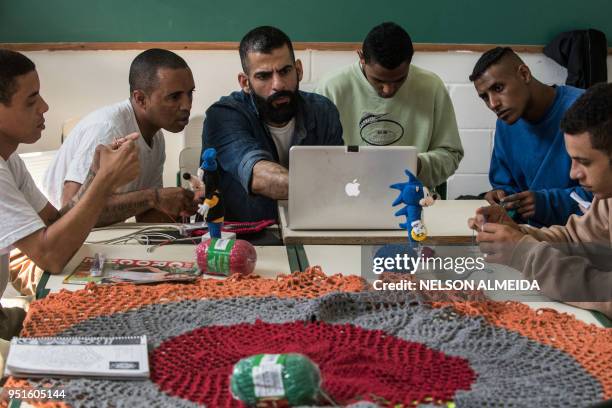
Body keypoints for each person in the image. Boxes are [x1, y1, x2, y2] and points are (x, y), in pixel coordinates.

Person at [0, 50, 139, 358]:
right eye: (31, 100)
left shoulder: (10, 161)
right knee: (55, 380)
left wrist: (94, 175)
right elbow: (50, 256)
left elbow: (56, 221)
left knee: (99, 326)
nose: (44, 107)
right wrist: (105, 182)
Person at [469, 83, 612, 318]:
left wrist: (524, 253)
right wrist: (517, 233)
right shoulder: (607, 197)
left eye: (584, 162)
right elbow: (578, 240)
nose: (573, 174)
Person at [202, 26, 343, 222]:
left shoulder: (323, 111)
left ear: (299, 70)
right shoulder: (224, 116)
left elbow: (338, 171)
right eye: (264, 76)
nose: (278, 84)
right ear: (245, 82)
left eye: (285, 71)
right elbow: (259, 176)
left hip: (315, 226)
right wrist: (339, 189)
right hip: (246, 238)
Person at [43, 48, 198, 226]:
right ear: (140, 99)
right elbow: (71, 212)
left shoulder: (157, 138)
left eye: (190, 93)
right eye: (174, 97)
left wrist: (182, 207)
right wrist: (153, 197)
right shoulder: (107, 129)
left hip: (98, 237)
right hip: (60, 240)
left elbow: (147, 217)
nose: (187, 105)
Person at [316, 22, 463, 190]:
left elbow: (451, 154)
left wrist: (419, 164)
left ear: (410, 60)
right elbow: (314, 159)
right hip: (347, 194)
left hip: (413, 199)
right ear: (361, 58)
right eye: (378, 80)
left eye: (400, 79)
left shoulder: (432, 87)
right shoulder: (331, 88)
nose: (388, 90)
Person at [470, 46, 592, 227]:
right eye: (485, 97)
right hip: (532, 237)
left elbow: (605, 193)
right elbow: (506, 184)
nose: (493, 103)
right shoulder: (505, 124)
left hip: (588, 238)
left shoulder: (586, 109)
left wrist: (546, 203)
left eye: (498, 88)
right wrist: (502, 196)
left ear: (524, 74)